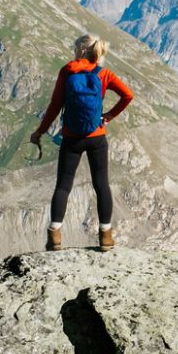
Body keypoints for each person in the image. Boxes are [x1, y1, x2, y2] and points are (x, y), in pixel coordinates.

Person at [30, 34, 133, 252]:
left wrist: (40, 131)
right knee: (101, 184)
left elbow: (55, 106)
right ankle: (105, 237)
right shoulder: (104, 74)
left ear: (80, 50)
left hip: (72, 138)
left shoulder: (67, 72)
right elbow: (128, 95)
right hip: (97, 137)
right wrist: (109, 116)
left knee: (63, 185)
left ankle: (55, 237)